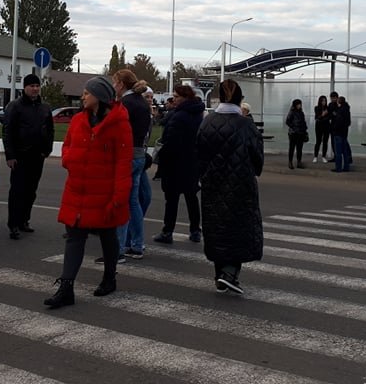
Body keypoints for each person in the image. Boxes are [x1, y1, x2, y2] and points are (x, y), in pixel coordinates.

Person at [44, 77, 131, 308]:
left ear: (99, 97)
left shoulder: (119, 124)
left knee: (107, 236)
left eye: (86, 93)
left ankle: (109, 277)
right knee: (74, 238)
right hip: (77, 191)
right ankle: (66, 288)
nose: (82, 97)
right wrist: (70, 160)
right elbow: (67, 147)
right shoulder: (78, 120)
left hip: (104, 193)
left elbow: (124, 164)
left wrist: (119, 197)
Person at [197, 79, 263, 294]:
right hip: (241, 184)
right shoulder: (246, 124)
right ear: (240, 100)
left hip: (213, 183)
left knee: (217, 226)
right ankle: (230, 272)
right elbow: (257, 158)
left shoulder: (207, 122)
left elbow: (198, 155)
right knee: (239, 227)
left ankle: (220, 273)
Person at [2, 73, 55, 239]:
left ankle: (25, 220)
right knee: (17, 191)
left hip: (37, 156)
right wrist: (10, 155)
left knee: (31, 191)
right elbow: (7, 131)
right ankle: (14, 224)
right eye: (32, 86)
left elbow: (50, 130)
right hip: (19, 156)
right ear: (25, 88)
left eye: (37, 86)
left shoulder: (45, 107)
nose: (35, 89)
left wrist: (47, 149)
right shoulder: (15, 106)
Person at [153, 84, 205, 244]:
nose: (173, 99)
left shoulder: (178, 116)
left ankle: (168, 231)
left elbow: (170, 141)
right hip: (192, 161)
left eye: (176, 96)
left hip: (175, 163)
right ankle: (195, 230)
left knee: (172, 199)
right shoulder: (199, 114)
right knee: (191, 198)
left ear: (184, 98)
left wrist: (161, 158)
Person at [109, 69, 152, 261]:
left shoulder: (125, 104)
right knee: (133, 201)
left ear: (121, 84)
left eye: (115, 82)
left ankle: (118, 248)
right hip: (139, 154)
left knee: (122, 201)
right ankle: (136, 245)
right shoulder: (141, 102)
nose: (113, 86)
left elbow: (116, 130)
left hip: (126, 155)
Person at [330, 95, 352, 172]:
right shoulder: (347, 110)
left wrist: (334, 129)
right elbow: (348, 122)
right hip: (344, 133)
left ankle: (338, 168)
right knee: (345, 152)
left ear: (339, 102)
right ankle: (346, 167)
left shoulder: (340, 110)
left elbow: (338, 122)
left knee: (338, 152)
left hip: (338, 134)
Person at [285, 99, 308, 169]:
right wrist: (294, 127)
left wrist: (305, 129)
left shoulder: (301, 113)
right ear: (295, 105)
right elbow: (287, 121)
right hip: (293, 133)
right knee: (292, 148)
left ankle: (299, 162)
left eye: (300, 104)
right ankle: (290, 162)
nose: (299, 106)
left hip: (301, 133)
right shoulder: (291, 112)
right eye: (298, 104)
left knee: (299, 149)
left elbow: (303, 122)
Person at [312, 95, 330, 163]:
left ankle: (323, 156)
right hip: (319, 126)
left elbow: (329, 117)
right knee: (318, 141)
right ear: (320, 101)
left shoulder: (328, 108)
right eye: (322, 101)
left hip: (326, 126)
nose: (324, 102)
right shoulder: (316, 108)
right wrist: (323, 115)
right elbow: (316, 117)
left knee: (325, 142)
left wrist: (324, 117)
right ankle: (315, 156)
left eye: (325, 100)